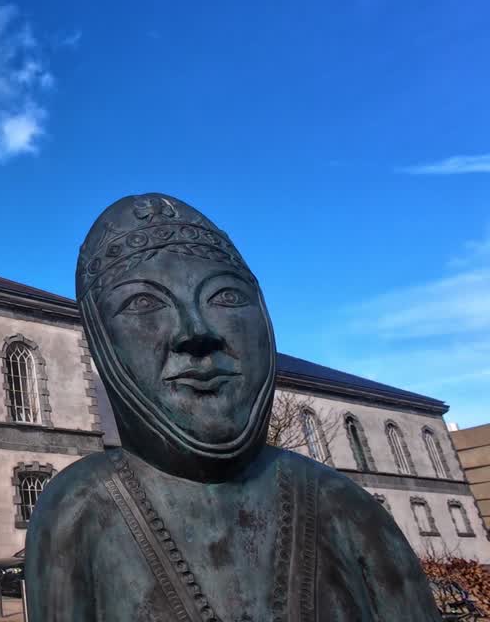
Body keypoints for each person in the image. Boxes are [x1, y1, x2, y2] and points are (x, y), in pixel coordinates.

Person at [26, 193, 440, 621]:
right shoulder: (78, 507)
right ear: (98, 339)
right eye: (144, 304)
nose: (196, 331)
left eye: (224, 297)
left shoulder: (346, 507)